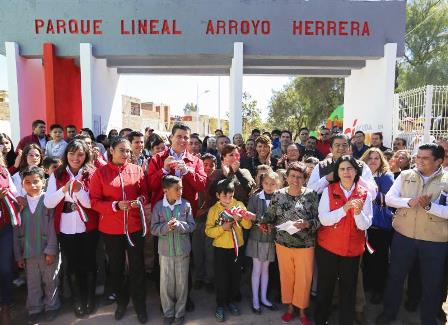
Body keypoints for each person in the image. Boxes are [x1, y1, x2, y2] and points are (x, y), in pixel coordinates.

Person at [376, 143, 448, 325]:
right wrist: (410, 202)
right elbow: (390, 199)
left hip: (434, 241)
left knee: (432, 284)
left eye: (425, 158)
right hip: (403, 236)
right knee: (395, 277)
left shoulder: (446, 180)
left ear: (438, 161)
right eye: (418, 157)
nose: (419, 161)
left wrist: (430, 207)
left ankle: (428, 319)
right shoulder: (406, 175)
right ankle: (389, 313)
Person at [147, 123, 207, 312]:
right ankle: (164, 298)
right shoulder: (158, 159)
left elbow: (202, 185)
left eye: (186, 137)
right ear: (171, 138)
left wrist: (188, 172)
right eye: (179, 136)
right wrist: (163, 170)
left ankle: (184, 297)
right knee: (161, 260)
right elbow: (150, 184)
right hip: (162, 216)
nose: (182, 140)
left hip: (185, 216)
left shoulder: (195, 160)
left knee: (185, 258)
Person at [89, 137, 149, 323]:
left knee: (137, 267)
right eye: (122, 150)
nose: (126, 154)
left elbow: (145, 194)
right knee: (116, 269)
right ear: (112, 151)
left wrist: (140, 201)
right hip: (111, 229)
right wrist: (115, 205)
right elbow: (94, 202)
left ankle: (140, 305)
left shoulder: (137, 170)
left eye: (129, 151)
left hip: (134, 227)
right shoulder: (100, 173)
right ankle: (122, 302)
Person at [44, 139, 99, 318]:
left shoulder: (91, 173)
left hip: (88, 225)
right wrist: (65, 189)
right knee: (72, 264)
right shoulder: (57, 173)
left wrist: (78, 191)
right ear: (66, 154)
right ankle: (77, 300)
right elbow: (48, 202)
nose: (76, 158)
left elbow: (92, 203)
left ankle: (90, 298)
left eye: (80, 154)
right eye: (72, 153)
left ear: (86, 155)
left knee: (89, 261)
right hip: (65, 226)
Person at [315, 155, 373, 325]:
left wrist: (357, 213)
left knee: (349, 289)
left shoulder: (364, 194)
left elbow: (365, 225)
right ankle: (320, 319)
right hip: (328, 248)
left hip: (352, 250)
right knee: (325, 286)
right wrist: (344, 209)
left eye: (349, 168)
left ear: (356, 171)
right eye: (342, 169)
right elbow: (324, 220)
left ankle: (346, 320)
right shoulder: (328, 190)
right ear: (337, 172)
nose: (346, 172)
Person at [263, 163, 319, 325]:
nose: (296, 179)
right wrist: (264, 223)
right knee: (287, 277)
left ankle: (302, 311)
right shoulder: (278, 195)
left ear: (305, 179)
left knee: (304, 279)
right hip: (283, 244)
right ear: (286, 177)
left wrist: (307, 223)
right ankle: (289, 308)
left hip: (305, 245)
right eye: (292, 176)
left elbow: (319, 220)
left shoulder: (312, 195)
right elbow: (269, 216)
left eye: (300, 176)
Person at [13, 166, 60, 323]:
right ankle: (35, 308)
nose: (32, 185)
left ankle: (52, 306)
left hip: (47, 251)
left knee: (50, 280)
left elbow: (54, 227)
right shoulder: (20, 204)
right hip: (28, 252)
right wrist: (18, 254)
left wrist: (51, 250)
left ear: (44, 182)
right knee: (32, 282)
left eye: (36, 181)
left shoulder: (48, 201)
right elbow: (16, 231)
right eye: (27, 182)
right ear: (22, 184)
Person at [205, 179, 253, 322]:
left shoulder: (239, 205)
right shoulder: (214, 210)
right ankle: (220, 304)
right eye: (224, 196)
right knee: (221, 277)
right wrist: (222, 228)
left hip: (237, 248)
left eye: (230, 196)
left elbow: (248, 226)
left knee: (235, 276)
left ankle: (231, 301)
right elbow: (208, 231)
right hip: (220, 249)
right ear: (217, 195)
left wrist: (242, 218)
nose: (228, 199)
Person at [151, 175, 195, 325]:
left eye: (181, 188)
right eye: (177, 189)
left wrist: (180, 225)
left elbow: (192, 226)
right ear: (165, 190)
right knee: (166, 284)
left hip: (183, 252)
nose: (180, 191)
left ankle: (179, 313)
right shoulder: (158, 207)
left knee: (182, 284)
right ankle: (168, 312)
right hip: (165, 253)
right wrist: (166, 227)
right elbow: (153, 229)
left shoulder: (186, 205)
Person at [360, 148, 394, 304]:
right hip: (363, 225)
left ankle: (379, 290)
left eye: (376, 158)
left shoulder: (386, 176)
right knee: (366, 258)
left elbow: (391, 200)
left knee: (379, 259)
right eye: (370, 158)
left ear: (381, 161)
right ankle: (367, 285)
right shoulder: (360, 175)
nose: (373, 161)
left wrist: (370, 196)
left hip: (379, 226)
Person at [245, 171, 280, 315]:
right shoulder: (255, 197)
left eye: (272, 184)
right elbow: (249, 215)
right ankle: (255, 300)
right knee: (256, 270)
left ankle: (264, 298)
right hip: (256, 238)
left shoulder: (279, 198)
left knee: (265, 270)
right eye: (266, 183)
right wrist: (259, 222)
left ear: (277, 184)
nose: (269, 186)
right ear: (262, 183)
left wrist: (273, 225)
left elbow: (280, 217)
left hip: (270, 239)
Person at [308, 134, 377, 198]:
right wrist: (326, 179)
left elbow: (373, 194)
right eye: (337, 145)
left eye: (344, 145)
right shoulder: (321, 166)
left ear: (350, 148)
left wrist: (357, 178)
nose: (341, 148)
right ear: (331, 149)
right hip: (327, 209)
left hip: (356, 208)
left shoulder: (361, 166)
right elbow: (309, 192)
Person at [0, 151, 20, 325]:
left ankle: (5, 305)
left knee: (5, 269)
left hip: (4, 227)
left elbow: (14, 192)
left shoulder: (4, 172)